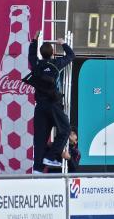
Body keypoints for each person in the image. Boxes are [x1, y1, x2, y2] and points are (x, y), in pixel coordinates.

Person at [28, 31, 75, 173]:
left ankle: (37, 168)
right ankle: (51, 156)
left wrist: (34, 40)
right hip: (53, 104)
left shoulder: (36, 64)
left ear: (41, 54)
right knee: (66, 128)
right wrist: (64, 44)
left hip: (40, 106)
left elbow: (31, 55)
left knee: (40, 139)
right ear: (53, 52)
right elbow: (71, 56)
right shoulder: (56, 63)